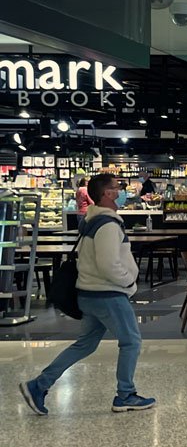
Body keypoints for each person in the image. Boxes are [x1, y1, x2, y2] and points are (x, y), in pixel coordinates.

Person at [19, 173, 155, 415]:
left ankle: (39, 385)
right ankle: (125, 395)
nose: (121, 191)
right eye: (116, 187)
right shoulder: (108, 225)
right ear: (107, 194)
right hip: (108, 294)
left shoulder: (92, 221)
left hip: (89, 294)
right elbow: (108, 263)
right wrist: (129, 282)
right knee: (131, 342)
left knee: (85, 344)